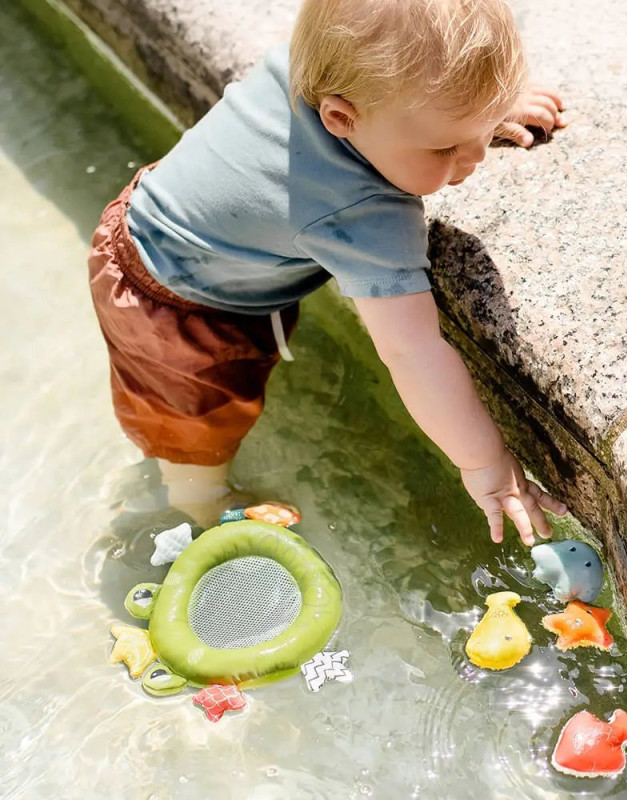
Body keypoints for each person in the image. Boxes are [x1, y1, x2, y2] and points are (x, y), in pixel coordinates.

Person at [88, 0, 568, 544]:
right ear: (342, 119)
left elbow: (409, 77)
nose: (476, 155)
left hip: (152, 214)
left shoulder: (321, 69)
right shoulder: (362, 214)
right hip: (172, 311)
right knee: (197, 428)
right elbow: (412, 351)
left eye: (484, 124)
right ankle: (199, 504)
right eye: (445, 146)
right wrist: (484, 462)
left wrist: (466, 116)